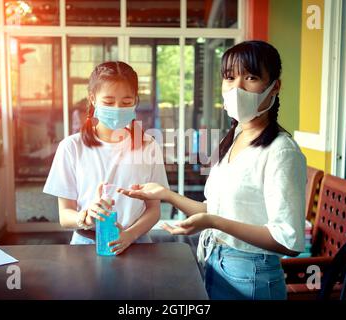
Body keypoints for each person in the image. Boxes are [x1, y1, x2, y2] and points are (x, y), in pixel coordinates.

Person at [118, 41, 307, 299]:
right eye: (230, 78)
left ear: (275, 86)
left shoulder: (281, 151)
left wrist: (213, 222)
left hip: (251, 275)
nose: (237, 87)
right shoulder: (234, 138)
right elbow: (215, 209)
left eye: (251, 77)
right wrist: (166, 195)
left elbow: (288, 240)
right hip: (216, 263)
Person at [44, 61, 169, 254]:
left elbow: (154, 210)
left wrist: (129, 236)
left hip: (137, 243)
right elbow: (64, 214)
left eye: (126, 102)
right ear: (93, 99)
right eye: (109, 102)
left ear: (135, 100)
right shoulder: (71, 147)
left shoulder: (148, 145)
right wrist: (85, 217)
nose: (118, 109)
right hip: (86, 245)